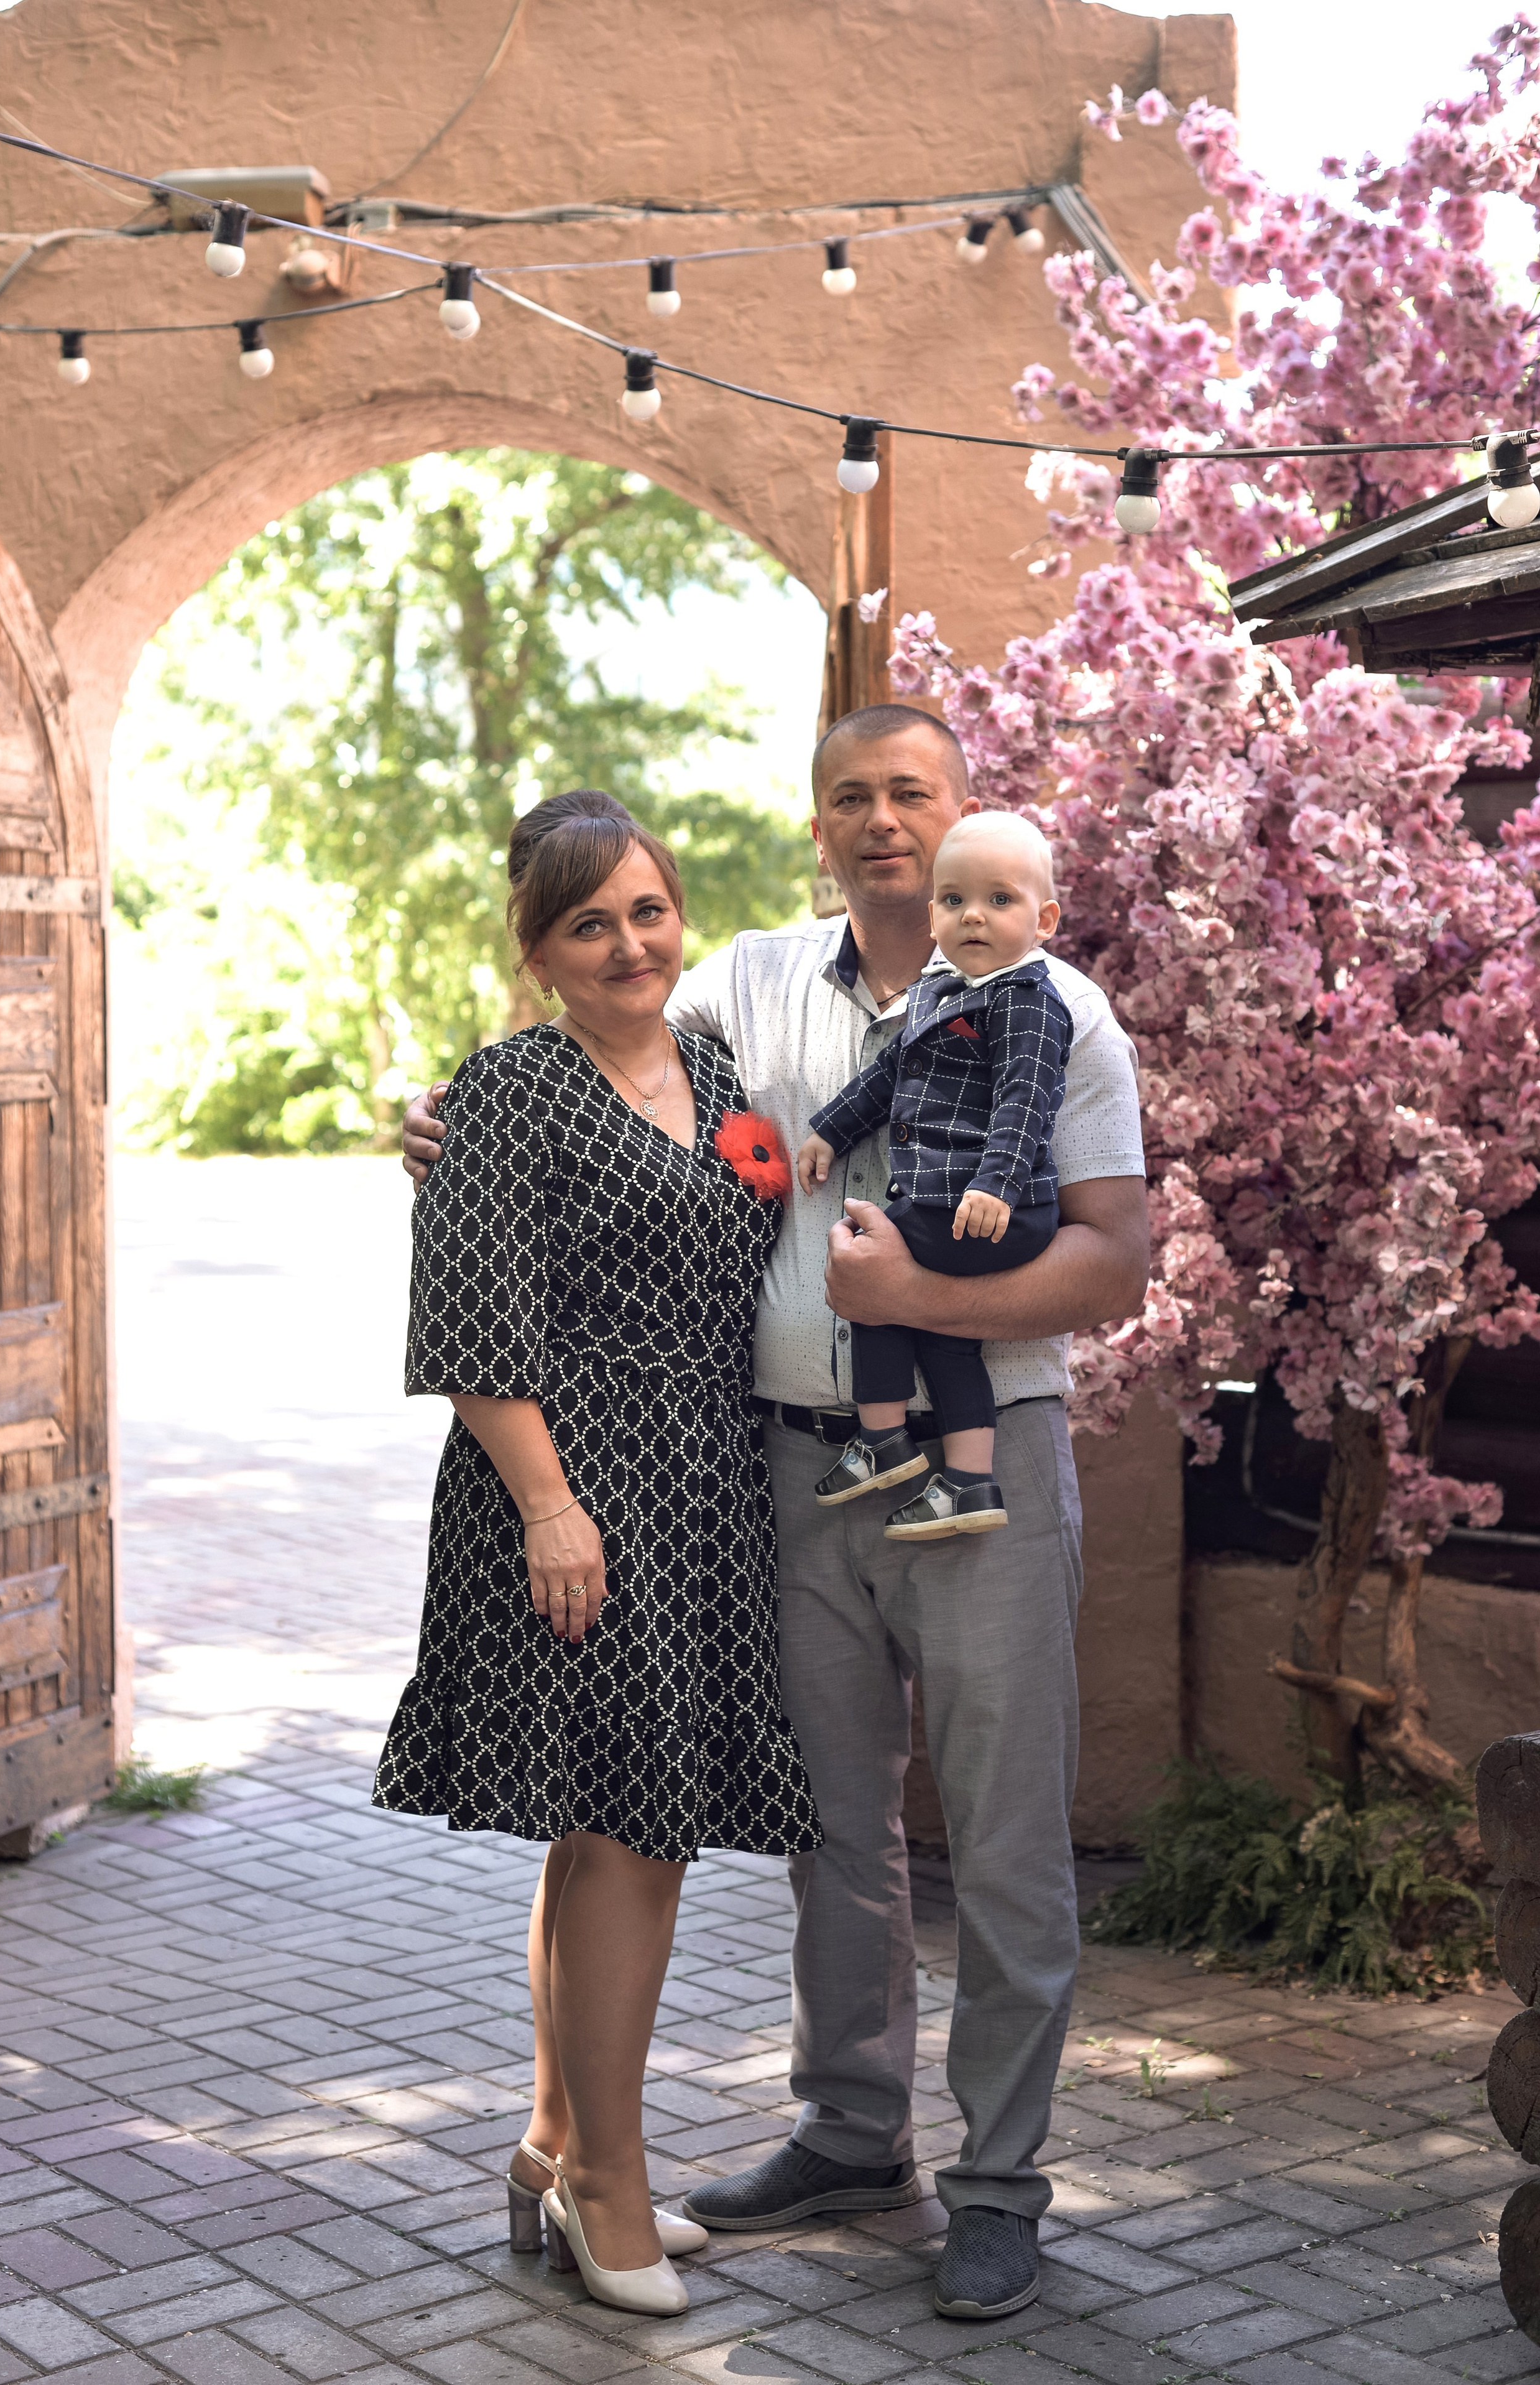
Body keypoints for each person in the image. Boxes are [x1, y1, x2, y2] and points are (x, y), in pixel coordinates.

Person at [402, 706, 1148, 2323]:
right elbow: (602, 1065)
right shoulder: (749, 985)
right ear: (818, 825)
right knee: (831, 1842)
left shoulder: (1056, 1009)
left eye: (913, 795)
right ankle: (852, 2131)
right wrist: (448, 1132)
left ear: (965, 818)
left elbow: (1114, 1258)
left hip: (982, 1463)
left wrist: (937, 1304)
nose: (884, 823)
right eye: (851, 798)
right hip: (781, 1476)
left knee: (1004, 1844)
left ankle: (999, 2184)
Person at [376, 787, 821, 2320]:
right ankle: (610, 2182)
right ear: (541, 947)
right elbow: (471, 1330)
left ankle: (559, 2135)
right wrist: (553, 1507)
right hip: (568, 1490)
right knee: (628, 1829)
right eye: (589, 921)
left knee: (615, 1826)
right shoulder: (504, 1089)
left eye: (645, 908)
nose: (628, 941)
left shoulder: (710, 1069)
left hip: (703, 1487)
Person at [796, 811, 1071, 1541]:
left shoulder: (1028, 1001)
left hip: (992, 1203)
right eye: (952, 901)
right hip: (957, 1201)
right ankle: (969, 1481)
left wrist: (995, 1185)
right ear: (932, 914)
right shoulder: (938, 990)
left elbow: (1027, 1098)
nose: (972, 916)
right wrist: (830, 1126)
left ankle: (882, 1436)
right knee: (947, 1341)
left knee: (869, 1266)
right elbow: (888, 1075)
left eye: (999, 901)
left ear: (1044, 919)